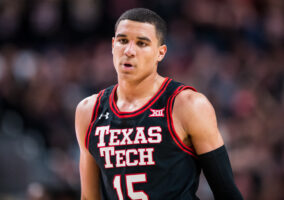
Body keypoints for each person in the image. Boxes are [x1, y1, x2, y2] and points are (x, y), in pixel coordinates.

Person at [75, 8, 243, 200]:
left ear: (160, 53)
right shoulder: (88, 110)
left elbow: (227, 193)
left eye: (141, 43)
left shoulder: (187, 104)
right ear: (113, 45)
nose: (129, 51)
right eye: (122, 41)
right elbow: (89, 197)